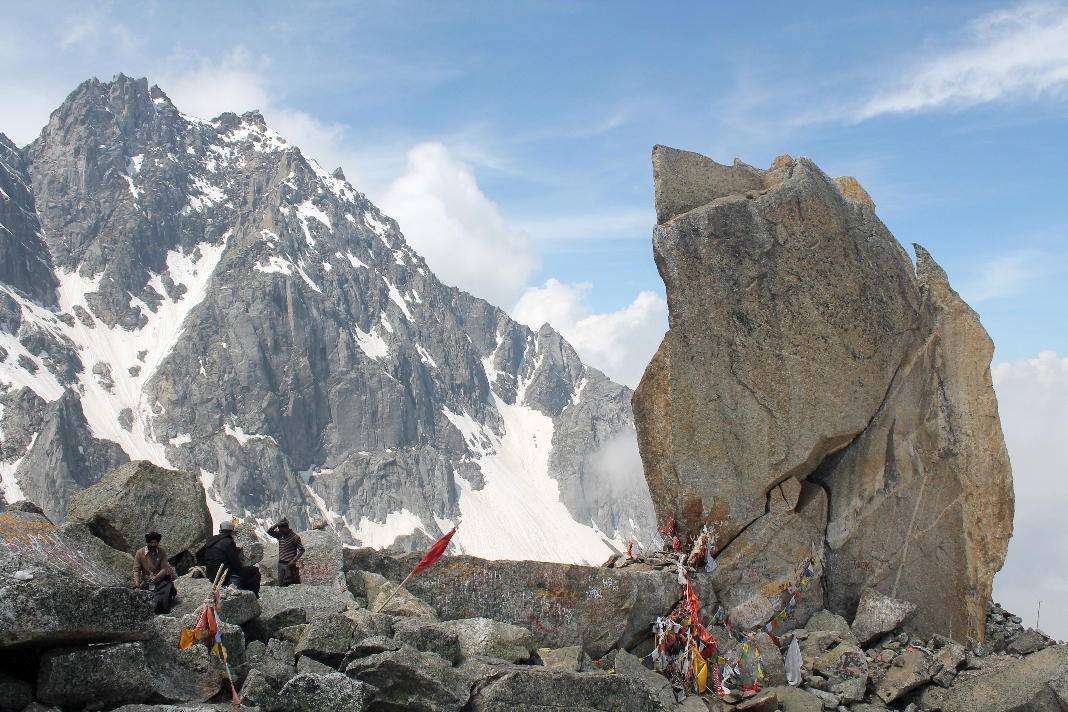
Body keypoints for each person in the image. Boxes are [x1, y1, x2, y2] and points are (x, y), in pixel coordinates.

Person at [133, 532, 177, 614]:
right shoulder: (140, 553)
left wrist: (156, 577)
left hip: (160, 581)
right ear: (148, 542)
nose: (153, 545)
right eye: (151, 543)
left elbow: (164, 568)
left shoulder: (162, 552)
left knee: (168, 590)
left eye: (155, 543)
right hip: (147, 582)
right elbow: (136, 569)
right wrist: (137, 581)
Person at [204, 521, 244, 588]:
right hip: (223, 577)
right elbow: (237, 565)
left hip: (210, 576)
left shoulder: (211, 541)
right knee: (254, 572)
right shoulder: (229, 542)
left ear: (220, 530)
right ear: (231, 532)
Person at [267, 518, 305, 587]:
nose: (280, 531)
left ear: (286, 528)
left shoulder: (295, 537)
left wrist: (295, 559)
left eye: (281, 529)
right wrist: (277, 524)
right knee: (281, 584)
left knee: (289, 584)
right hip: (281, 563)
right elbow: (269, 532)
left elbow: (302, 549)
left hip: (289, 564)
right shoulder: (280, 535)